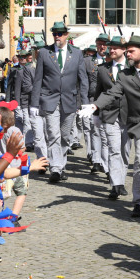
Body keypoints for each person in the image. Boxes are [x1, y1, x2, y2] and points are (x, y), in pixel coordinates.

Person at [82, 35, 140, 217]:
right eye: (127, 51)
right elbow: (111, 93)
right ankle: (139, 201)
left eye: (131, 50)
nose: (128, 53)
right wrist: (95, 105)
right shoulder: (125, 76)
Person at [29, 21, 89, 184]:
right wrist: (34, 104)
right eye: (55, 33)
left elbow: (83, 79)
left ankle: (61, 166)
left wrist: (85, 102)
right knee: (53, 133)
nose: (57, 36)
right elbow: (38, 79)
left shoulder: (76, 53)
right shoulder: (44, 53)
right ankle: (55, 168)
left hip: (69, 100)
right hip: (49, 99)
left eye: (60, 33)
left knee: (65, 136)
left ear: (66, 36)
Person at [94, 36, 129, 199]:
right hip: (109, 114)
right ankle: (116, 184)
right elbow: (99, 92)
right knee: (114, 149)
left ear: (124, 50)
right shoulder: (102, 69)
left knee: (125, 150)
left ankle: (121, 179)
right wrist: (96, 113)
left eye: (115, 47)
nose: (112, 50)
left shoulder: (132, 67)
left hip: (129, 114)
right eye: (111, 47)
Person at [81, 45, 102, 174]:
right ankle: (95, 159)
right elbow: (82, 82)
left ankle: (104, 159)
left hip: (108, 100)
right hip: (91, 99)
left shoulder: (113, 59)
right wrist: (82, 101)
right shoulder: (87, 62)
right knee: (92, 129)